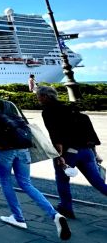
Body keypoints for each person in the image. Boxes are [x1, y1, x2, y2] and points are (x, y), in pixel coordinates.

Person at [0, 80, 71, 240]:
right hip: (22, 146)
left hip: (3, 149)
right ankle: (55, 215)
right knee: (26, 183)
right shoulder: (10, 104)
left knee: (5, 181)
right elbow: (25, 124)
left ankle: (18, 217)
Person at [36, 85, 107, 219]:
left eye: (38, 96)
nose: (38, 99)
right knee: (98, 182)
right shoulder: (72, 109)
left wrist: (59, 156)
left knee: (62, 180)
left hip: (68, 153)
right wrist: (94, 152)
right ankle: (65, 207)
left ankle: (66, 208)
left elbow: (55, 135)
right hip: (86, 151)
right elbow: (89, 132)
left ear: (45, 97)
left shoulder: (48, 111)